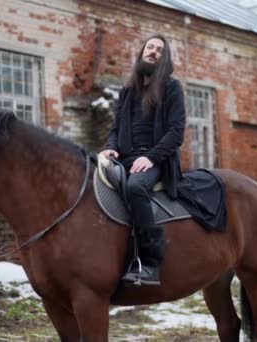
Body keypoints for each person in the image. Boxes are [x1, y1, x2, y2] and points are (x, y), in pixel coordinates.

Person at [100, 34, 186, 285]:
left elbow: (176, 132)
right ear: (142, 52)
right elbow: (115, 129)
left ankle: (150, 263)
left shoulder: (171, 88)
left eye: (159, 50)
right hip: (125, 156)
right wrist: (110, 148)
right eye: (150, 47)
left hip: (156, 159)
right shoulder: (127, 91)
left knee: (135, 187)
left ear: (164, 58)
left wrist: (151, 158)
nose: (153, 52)